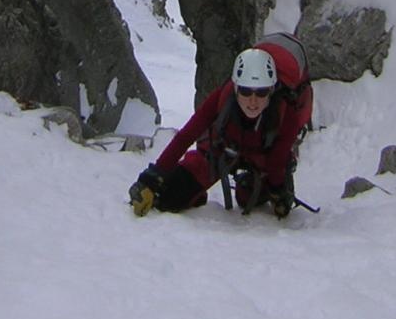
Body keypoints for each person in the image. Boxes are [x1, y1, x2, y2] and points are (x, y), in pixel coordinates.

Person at [129, 42, 312, 219]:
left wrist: (277, 189)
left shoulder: (285, 113)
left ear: (272, 90)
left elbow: (277, 158)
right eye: (246, 92)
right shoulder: (223, 99)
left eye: (261, 92)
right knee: (168, 198)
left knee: (246, 196)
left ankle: (253, 183)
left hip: (264, 153)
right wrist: (154, 176)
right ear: (236, 88)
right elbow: (188, 134)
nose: (253, 101)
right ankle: (194, 192)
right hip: (225, 145)